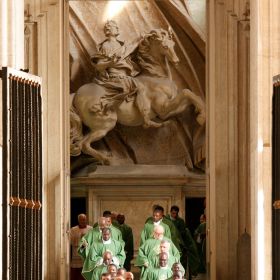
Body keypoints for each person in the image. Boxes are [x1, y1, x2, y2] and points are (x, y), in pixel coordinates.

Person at [91, 20, 157, 128]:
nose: (115, 28)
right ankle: (146, 120)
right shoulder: (106, 46)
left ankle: (145, 117)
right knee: (140, 88)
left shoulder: (120, 44)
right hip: (116, 77)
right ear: (107, 31)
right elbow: (99, 64)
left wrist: (141, 38)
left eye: (114, 26)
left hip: (125, 75)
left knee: (140, 88)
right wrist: (110, 62)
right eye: (110, 27)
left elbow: (129, 49)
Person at [69, 214, 92, 280]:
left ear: (86, 220)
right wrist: (80, 238)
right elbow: (70, 241)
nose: (83, 221)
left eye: (84, 219)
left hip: (86, 255)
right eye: (81, 220)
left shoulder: (90, 229)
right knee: (76, 276)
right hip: (76, 255)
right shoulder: (73, 229)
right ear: (78, 220)